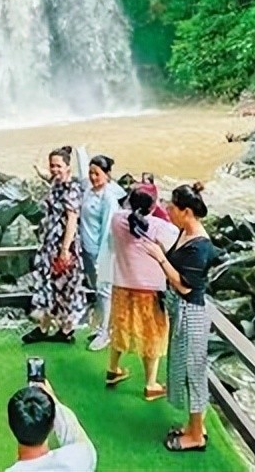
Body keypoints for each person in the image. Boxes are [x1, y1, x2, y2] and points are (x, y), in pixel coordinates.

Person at [143, 184, 220, 452]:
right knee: (183, 370)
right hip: (182, 312)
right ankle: (193, 426)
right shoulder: (186, 233)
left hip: (191, 313)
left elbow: (185, 285)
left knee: (193, 373)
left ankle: (197, 435)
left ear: (186, 211)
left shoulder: (199, 246)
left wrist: (160, 258)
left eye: (172, 207)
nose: (168, 211)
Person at [105, 186, 179, 401]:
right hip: (149, 290)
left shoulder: (117, 220)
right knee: (152, 336)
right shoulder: (161, 227)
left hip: (122, 285)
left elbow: (127, 216)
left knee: (120, 328)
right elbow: (177, 240)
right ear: (153, 206)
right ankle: (150, 384)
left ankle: (113, 370)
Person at [23, 146, 87, 344]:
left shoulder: (72, 190)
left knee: (64, 288)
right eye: (52, 166)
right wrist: (38, 169)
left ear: (68, 167)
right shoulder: (56, 183)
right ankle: (54, 329)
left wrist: (65, 250)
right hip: (49, 245)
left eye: (59, 166)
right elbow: (47, 177)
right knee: (50, 286)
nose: (54, 170)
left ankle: (59, 330)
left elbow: (72, 221)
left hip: (63, 247)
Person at [75, 148, 120, 352]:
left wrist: (101, 258)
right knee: (97, 289)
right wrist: (79, 149)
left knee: (104, 292)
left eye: (97, 173)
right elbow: (79, 164)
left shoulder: (108, 198)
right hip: (87, 249)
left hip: (103, 252)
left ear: (107, 174)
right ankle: (105, 326)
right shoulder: (87, 189)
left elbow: (108, 229)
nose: (93, 177)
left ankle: (106, 333)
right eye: (91, 173)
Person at [5, 380, 96, 472]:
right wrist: (52, 400)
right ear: (52, 425)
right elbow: (78, 438)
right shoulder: (79, 460)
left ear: (11, 425)